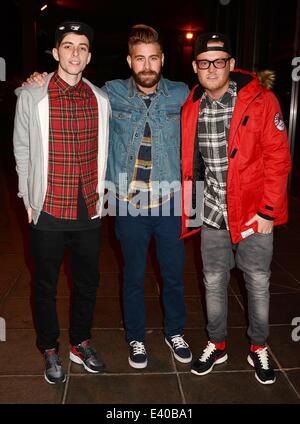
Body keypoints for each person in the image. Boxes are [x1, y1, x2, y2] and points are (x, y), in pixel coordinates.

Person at [25, 24, 192, 369]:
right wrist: (36, 80)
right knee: (132, 274)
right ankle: (135, 338)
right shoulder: (109, 94)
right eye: (140, 58)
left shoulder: (181, 93)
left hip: (172, 199)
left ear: (162, 60)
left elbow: (219, 87)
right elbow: (70, 85)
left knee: (174, 274)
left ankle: (174, 330)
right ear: (130, 61)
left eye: (153, 58)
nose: (147, 65)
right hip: (126, 201)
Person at [180, 32, 291, 384]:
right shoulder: (192, 104)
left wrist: (270, 211)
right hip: (212, 210)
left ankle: (258, 347)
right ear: (195, 67)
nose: (211, 68)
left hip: (254, 212)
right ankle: (218, 343)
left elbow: (278, 159)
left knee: (257, 281)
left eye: (218, 61)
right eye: (204, 62)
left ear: (231, 64)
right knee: (213, 281)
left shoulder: (261, 99)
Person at [13, 21, 110, 384]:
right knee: (46, 284)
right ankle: (49, 348)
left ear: (89, 56)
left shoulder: (101, 99)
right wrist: (26, 196)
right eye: (67, 46)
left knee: (87, 283)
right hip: (48, 206)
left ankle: (80, 342)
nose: (74, 53)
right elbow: (21, 149)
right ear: (55, 53)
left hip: (88, 206)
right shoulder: (31, 95)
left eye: (82, 47)